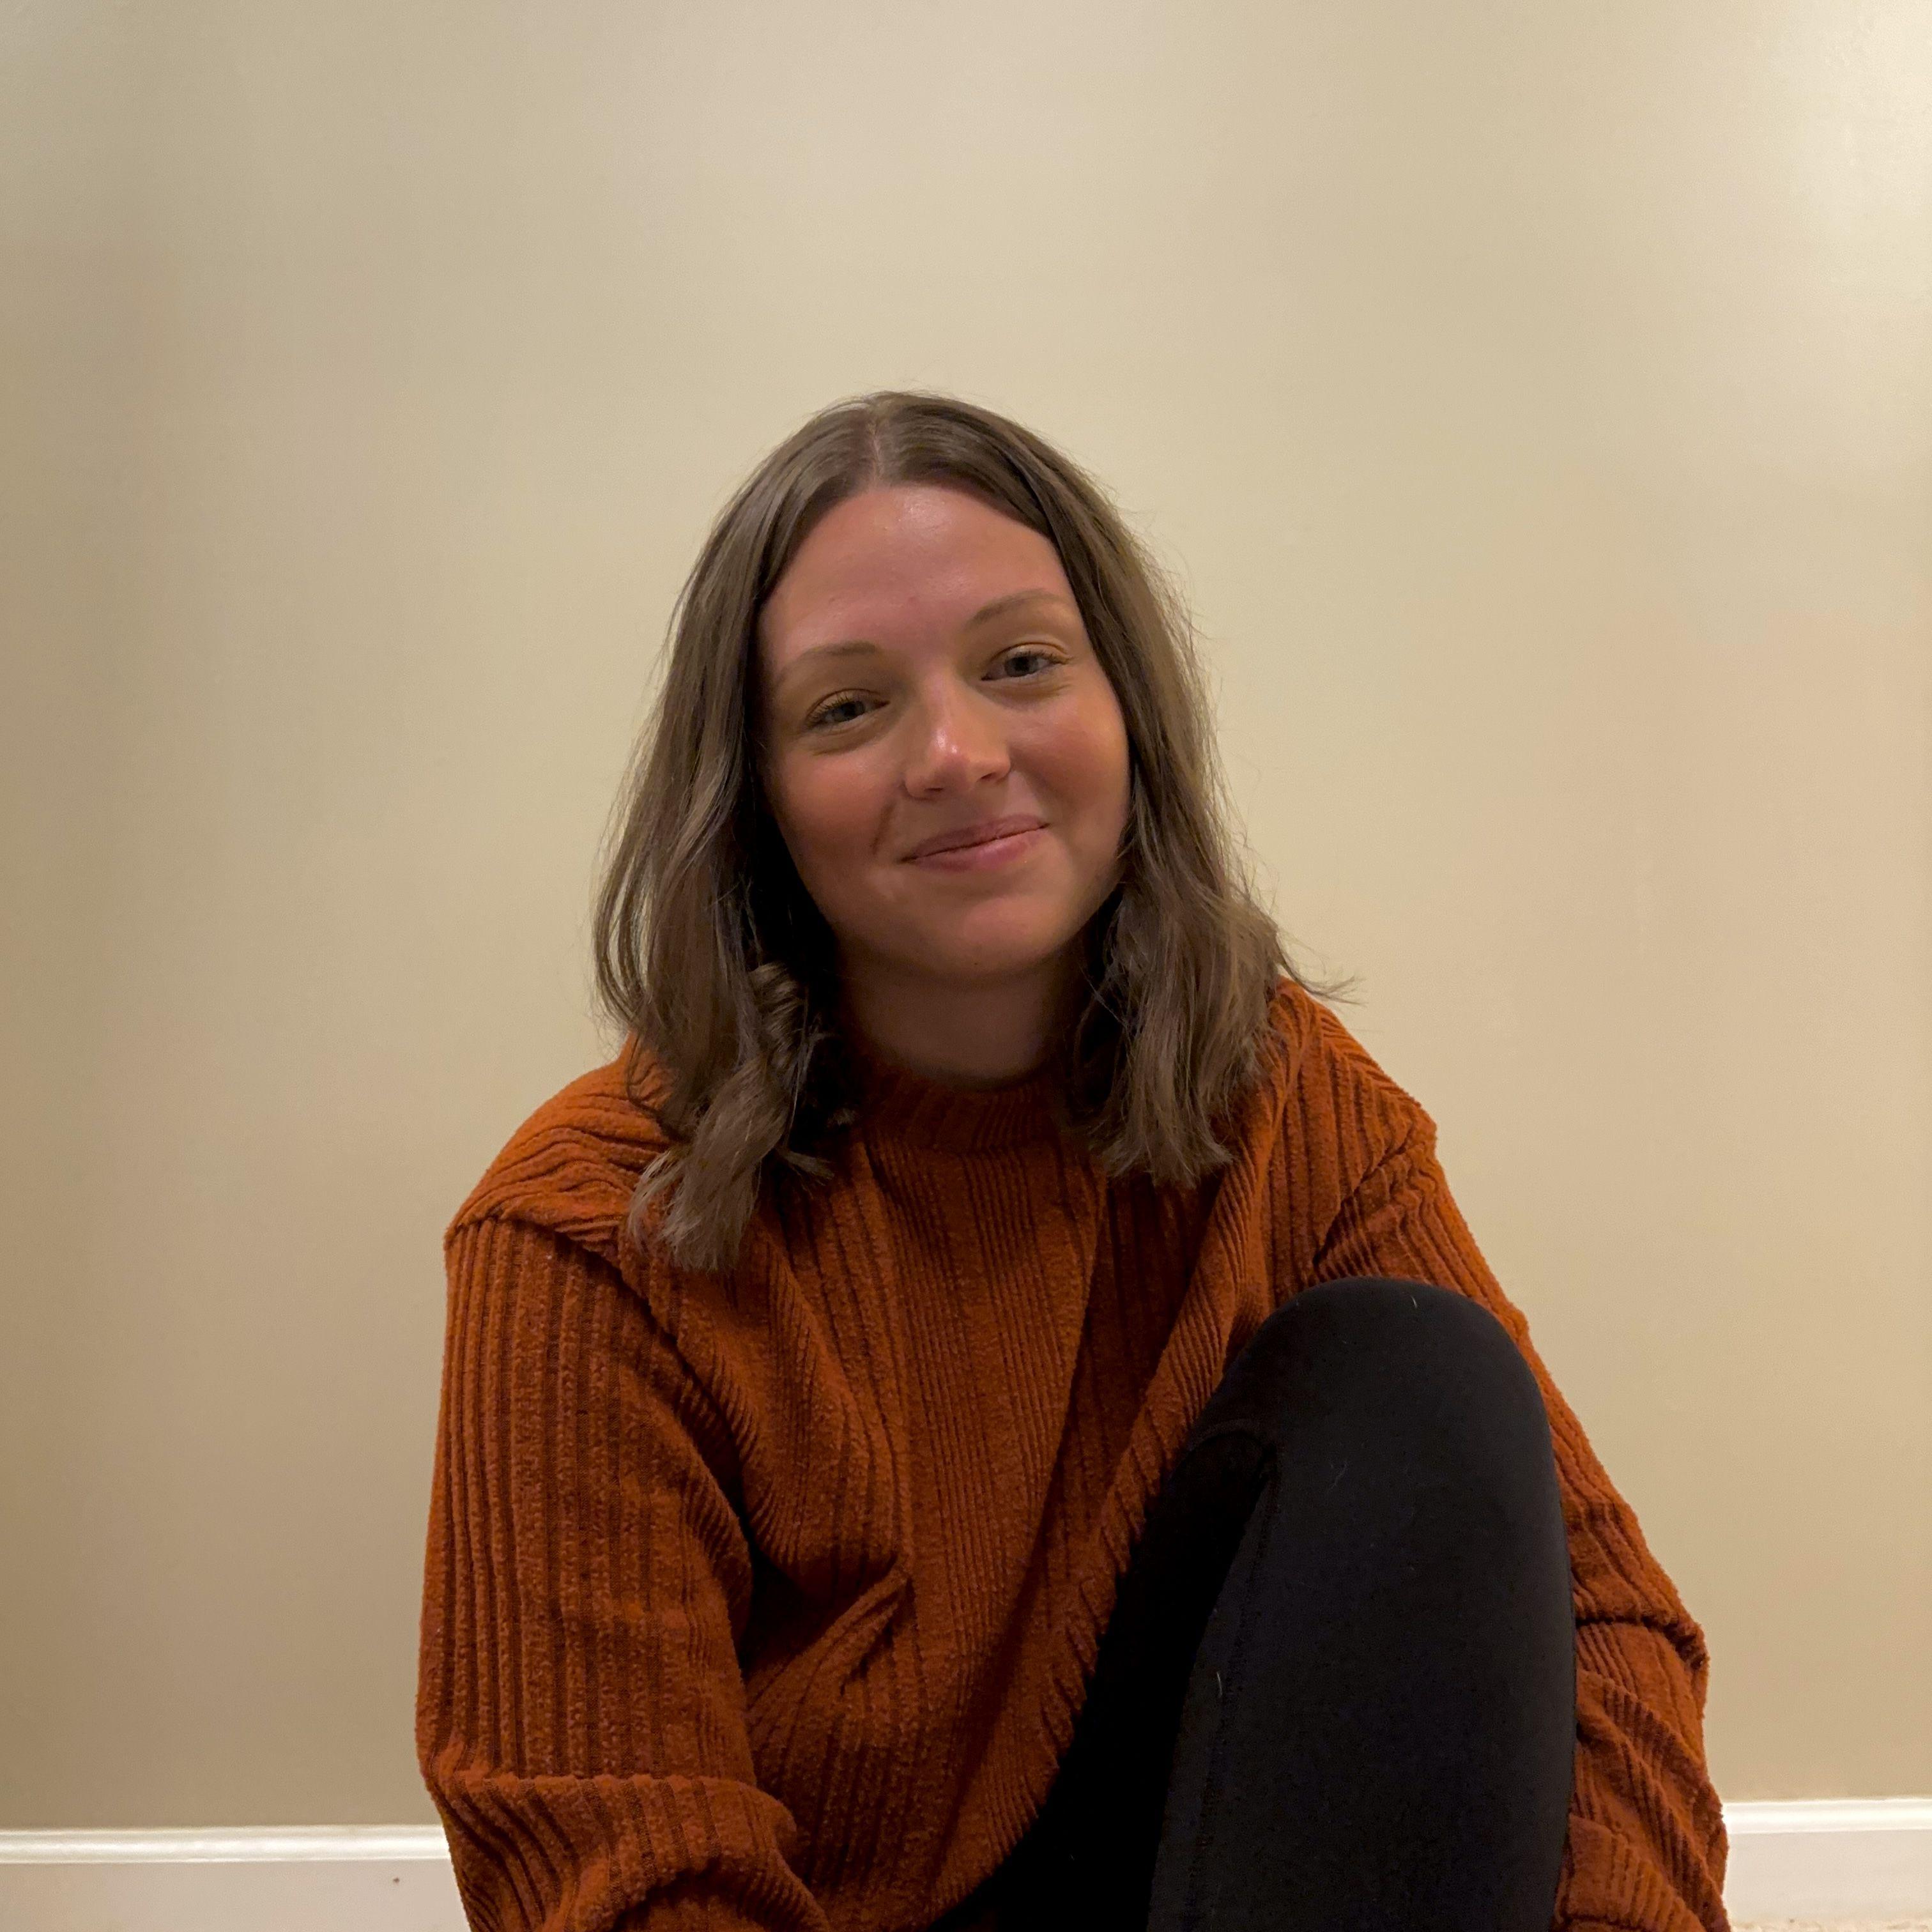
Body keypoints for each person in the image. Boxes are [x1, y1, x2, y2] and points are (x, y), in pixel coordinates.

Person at [415, 390, 1730, 1931]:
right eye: (847, 708)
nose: (958, 754)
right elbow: (609, 1852)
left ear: (1129, 711)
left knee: (1418, 1372)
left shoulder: (1286, 1099)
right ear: (754, 801)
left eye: (1022, 664)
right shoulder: (587, 1229)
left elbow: (1600, 1629)